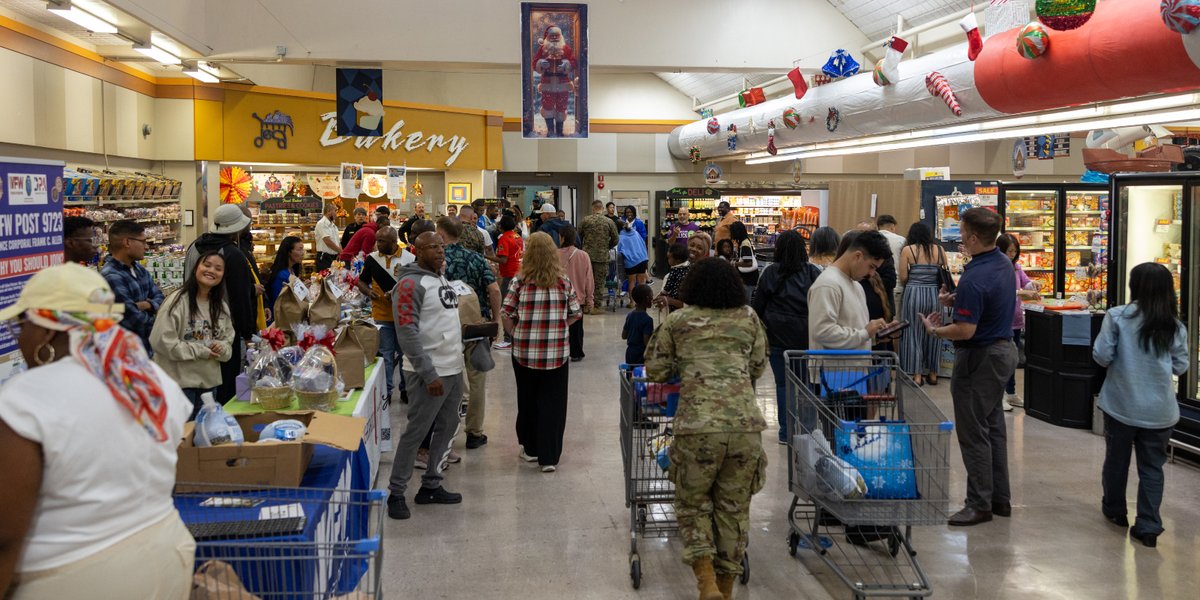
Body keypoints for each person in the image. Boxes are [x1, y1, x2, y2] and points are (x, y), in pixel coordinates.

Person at [0, 264, 193, 599]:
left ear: (46, 329)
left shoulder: (28, 396)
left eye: (21, 325)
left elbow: (4, 533)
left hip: (74, 577)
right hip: (168, 553)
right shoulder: (151, 381)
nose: (20, 337)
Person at [644, 258, 768, 600]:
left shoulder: (680, 321)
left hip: (697, 427)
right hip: (745, 427)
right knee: (733, 509)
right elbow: (758, 366)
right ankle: (725, 590)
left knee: (693, 503)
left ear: (692, 287)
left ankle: (706, 582)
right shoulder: (749, 318)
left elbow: (654, 370)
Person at [918, 207, 1017, 527]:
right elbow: (981, 303)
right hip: (1003, 353)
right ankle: (1000, 498)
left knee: (973, 433)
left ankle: (978, 503)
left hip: (979, 357)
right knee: (993, 429)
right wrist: (957, 300)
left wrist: (935, 331)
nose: (959, 238)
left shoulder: (975, 275)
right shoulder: (1001, 263)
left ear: (973, 238)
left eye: (961, 233)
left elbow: (965, 330)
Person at [1093, 263, 1188, 549]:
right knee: (1152, 467)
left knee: (1117, 460)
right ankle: (1148, 525)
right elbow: (1181, 366)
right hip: (1160, 410)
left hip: (1122, 403)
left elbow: (1101, 355)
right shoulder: (1174, 325)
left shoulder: (1118, 316)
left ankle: (1115, 509)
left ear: (1134, 286)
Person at [386, 231, 466, 520]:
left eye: (441, 246)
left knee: (448, 427)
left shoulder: (440, 277)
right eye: (432, 247)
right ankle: (396, 491)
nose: (439, 251)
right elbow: (406, 332)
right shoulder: (409, 283)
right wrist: (428, 372)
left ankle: (431, 484)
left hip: (453, 368)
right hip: (428, 373)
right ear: (417, 251)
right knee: (417, 432)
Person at [501, 232, 582, 473]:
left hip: (525, 351)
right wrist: (559, 327)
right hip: (556, 353)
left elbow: (506, 312)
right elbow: (576, 312)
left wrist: (515, 333)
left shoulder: (520, 281)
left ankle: (531, 448)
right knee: (554, 403)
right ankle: (549, 456)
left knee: (527, 400)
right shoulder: (563, 281)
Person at [751, 230, 823, 445]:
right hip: (805, 338)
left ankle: (786, 433)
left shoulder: (771, 272)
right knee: (807, 385)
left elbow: (758, 306)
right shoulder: (813, 273)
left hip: (777, 337)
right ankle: (809, 431)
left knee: (783, 386)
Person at [437, 217, 501, 450]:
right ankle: (474, 432)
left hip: (444, 328)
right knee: (477, 380)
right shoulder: (475, 258)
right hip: (476, 326)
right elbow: (493, 289)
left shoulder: (435, 260)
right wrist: (495, 321)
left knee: (448, 378)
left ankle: (447, 432)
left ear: (442, 235)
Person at [185, 204, 259, 403]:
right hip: (225, 326)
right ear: (236, 228)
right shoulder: (233, 254)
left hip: (195, 322)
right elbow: (240, 296)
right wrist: (248, 332)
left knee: (202, 377)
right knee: (227, 378)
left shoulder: (194, 246)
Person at [150, 251, 235, 419]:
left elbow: (228, 341)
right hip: (179, 387)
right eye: (207, 265)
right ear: (196, 268)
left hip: (209, 386)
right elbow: (161, 342)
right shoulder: (176, 302)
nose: (211, 271)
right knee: (181, 440)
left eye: (218, 268)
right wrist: (202, 351)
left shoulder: (219, 306)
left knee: (203, 439)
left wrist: (222, 348)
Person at [808, 230, 892, 351]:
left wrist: (875, 336)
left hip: (853, 367)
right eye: (871, 266)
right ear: (858, 256)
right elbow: (822, 332)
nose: (872, 274)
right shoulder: (827, 284)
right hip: (833, 368)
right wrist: (865, 334)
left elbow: (855, 331)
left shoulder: (856, 284)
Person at [356, 226, 412, 405]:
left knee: (405, 355)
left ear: (394, 241)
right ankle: (387, 391)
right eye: (377, 240)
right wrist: (369, 293)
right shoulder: (372, 259)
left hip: (404, 316)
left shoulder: (410, 258)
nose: (376, 244)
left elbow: (416, 285)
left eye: (381, 241)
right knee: (386, 355)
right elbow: (361, 281)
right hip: (381, 315)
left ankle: (406, 390)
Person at [100, 220, 165, 355]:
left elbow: (160, 297)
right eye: (143, 242)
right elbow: (134, 319)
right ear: (127, 242)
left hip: (147, 350)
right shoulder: (111, 276)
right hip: (128, 355)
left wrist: (146, 305)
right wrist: (160, 320)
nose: (146, 247)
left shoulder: (139, 269)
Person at [899, 222, 948, 386]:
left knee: (913, 333)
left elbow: (903, 278)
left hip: (913, 293)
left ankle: (917, 375)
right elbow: (945, 273)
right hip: (934, 294)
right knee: (935, 331)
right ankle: (933, 374)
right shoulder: (940, 250)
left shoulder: (908, 250)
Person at [996, 233, 1041, 410]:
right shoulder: (998, 269)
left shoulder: (1017, 268)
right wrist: (1023, 292)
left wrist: (1033, 285)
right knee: (1002, 359)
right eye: (1009, 251)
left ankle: (1011, 393)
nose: (1012, 255)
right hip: (1002, 320)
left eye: (1015, 251)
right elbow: (1005, 292)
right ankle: (999, 395)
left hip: (1016, 320)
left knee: (1013, 359)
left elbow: (1026, 283)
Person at [557, 226, 593, 362]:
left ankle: (559, 350)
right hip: (578, 298)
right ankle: (576, 352)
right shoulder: (583, 255)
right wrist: (590, 299)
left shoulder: (554, 254)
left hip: (558, 297)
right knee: (577, 327)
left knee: (559, 325)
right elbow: (589, 279)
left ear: (563, 237)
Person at [578, 200, 619, 314]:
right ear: (602, 208)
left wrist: (582, 247)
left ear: (593, 208)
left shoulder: (585, 220)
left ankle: (586, 305)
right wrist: (607, 246)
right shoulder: (609, 222)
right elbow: (616, 239)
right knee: (599, 282)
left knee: (586, 281)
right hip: (602, 257)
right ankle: (596, 306)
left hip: (587, 256)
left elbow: (578, 236)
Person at [494, 215, 524, 350]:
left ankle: (508, 339)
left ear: (501, 226)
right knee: (516, 307)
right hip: (518, 272)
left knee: (506, 308)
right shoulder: (518, 237)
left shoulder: (504, 239)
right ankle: (515, 335)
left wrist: (486, 256)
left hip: (508, 275)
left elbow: (503, 260)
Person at [265, 236, 303, 312]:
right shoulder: (281, 275)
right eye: (300, 249)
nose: (303, 253)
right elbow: (279, 301)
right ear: (289, 252)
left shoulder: (292, 270)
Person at [618, 221, 649, 307]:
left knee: (632, 282)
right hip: (642, 259)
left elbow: (619, 250)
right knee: (642, 282)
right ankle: (642, 302)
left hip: (631, 262)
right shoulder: (635, 232)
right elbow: (643, 243)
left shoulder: (621, 237)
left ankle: (632, 302)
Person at [653, 244, 691, 313]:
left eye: (669, 258)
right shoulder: (689, 266)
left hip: (676, 302)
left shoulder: (675, 271)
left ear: (677, 261)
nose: (668, 260)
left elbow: (668, 286)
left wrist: (662, 294)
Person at [623, 284, 655, 364]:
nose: (652, 299)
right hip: (641, 354)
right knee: (640, 375)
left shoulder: (629, 316)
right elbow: (646, 342)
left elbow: (624, 336)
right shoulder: (648, 320)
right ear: (647, 299)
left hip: (630, 353)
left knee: (630, 374)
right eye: (652, 297)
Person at [730, 221, 759, 300]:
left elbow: (749, 263)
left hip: (748, 279)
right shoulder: (744, 241)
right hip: (749, 279)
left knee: (746, 302)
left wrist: (734, 263)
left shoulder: (744, 243)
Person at [314, 202, 342, 271]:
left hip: (334, 258)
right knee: (325, 280)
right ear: (329, 211)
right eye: (335, 211)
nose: (336, 214)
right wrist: (341, 251)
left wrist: (340, 252)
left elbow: (338, 242)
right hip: (324, 258)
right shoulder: (322, 223)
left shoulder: (333, 226)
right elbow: (327, 241)